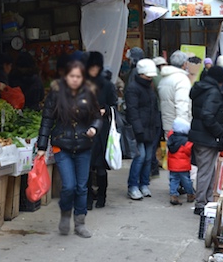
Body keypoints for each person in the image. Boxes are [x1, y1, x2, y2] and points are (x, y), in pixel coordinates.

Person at [36, 61, 103, 237]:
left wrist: (94, 128)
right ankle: (65, 215)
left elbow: (97, 117)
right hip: (62, 145)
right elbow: (47, 121)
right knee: (68, 186)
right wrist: (42, 146)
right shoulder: (55, 95)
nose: (75, 80)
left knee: (82, 187)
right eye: (72, 76)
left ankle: (80, 223)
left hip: (84, 146)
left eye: (78, 77)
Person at [188, 66, 223, 215]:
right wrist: (219, 131)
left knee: (209, 170)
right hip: (207, 136)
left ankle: (208, 200)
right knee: (206, 171)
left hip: (199, 134)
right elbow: (207, 115)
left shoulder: (200, 88)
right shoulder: (213, 92)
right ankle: (201, 203)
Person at [125, 59, 162, 200]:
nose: (150, 77)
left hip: (151, 127)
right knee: (140, 158)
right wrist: (138, 129)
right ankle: (133, 185)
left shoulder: (148, 87)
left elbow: (153, 108)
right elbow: (132, 111)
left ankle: (144, 184)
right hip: (140, 128)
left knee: (147, 158)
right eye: (148, 75)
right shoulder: (133, 88)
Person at [85, 51, 118, 209]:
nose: (93, 70)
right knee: (86, 165)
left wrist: (105, 109)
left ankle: (102, 196)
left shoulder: (107, 84)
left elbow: (114, 105)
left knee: (100, 165)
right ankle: (88, 197)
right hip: (85, 127)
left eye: (96, 67)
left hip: (102, 129)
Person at [158, 50, 192, 138]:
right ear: (184, 64)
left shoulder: (164, 78)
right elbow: (182, 105)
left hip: (167, 123)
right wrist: (184, 127)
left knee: (170, 149)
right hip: (179, 127)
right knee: (180, 151)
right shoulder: (182, 79)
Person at [167, 117, 195, 205]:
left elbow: (170, 132)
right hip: (183, 166)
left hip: (172, 165)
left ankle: (173, 195)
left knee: (173, 180)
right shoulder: (186, 142)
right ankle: (190, 194)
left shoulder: (171, 138)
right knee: (186, 181)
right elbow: (189, 152)